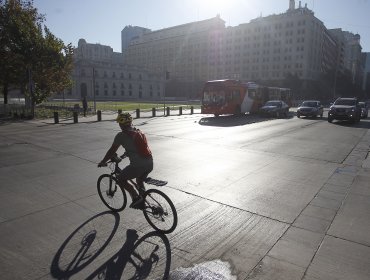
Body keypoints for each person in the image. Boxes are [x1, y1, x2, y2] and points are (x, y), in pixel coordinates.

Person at [98, 112, 153, 209]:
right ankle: (143, 199)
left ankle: (136, 198)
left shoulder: (121, 135)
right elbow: (136, 149)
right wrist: (123, 156)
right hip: (150, 163)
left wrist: (103, 161)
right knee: (139, 181)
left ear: (121, 124)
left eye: (119, 123)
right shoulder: (138, 131)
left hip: (138, 166)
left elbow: (111, 151)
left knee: (120, 179)